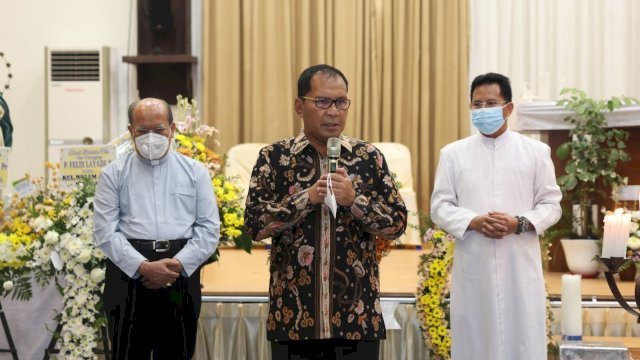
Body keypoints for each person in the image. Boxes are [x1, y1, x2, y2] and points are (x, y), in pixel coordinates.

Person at [244, 64, 407, 360]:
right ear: (299, 105)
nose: (333, 111)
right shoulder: (275, 158)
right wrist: (306, 198)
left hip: (357, 320)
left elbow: (397, 223)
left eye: (341, 102)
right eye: (322, 102)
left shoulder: (368, 157)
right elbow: (255, 224)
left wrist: (354, 201)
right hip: (292, 319)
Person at [430, 72, 562, 359]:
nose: (483, 110)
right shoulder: (453, 154)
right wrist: (474, 221)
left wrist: (519, 223)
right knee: (476, 341)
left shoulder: (536, 152)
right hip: (474, 266)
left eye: (491, 103)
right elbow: (439, 206)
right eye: (476, 105)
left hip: (519, 266)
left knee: (523, 340)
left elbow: (552, 204)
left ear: (509, 108)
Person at [93, 98, 220, 359]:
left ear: (172, 129)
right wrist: (142, 267)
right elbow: (105, 232)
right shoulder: (112, 174)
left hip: (180, 274)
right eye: (142, 131)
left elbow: (208, 230)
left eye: (159, 129)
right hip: (127, 275)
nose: (151, 137)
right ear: (130, 131)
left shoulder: (196, 172)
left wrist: (175, 267)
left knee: (178, 353)